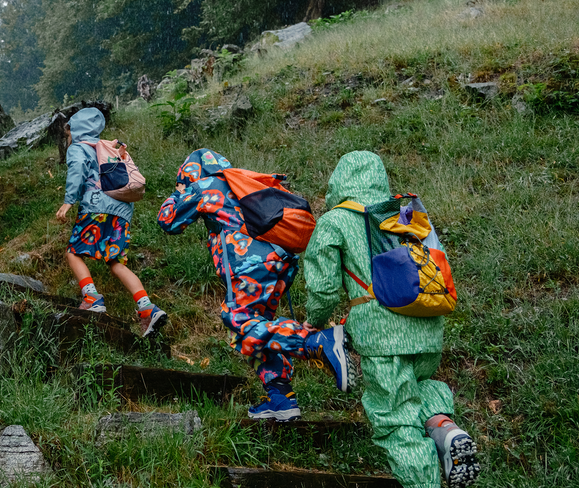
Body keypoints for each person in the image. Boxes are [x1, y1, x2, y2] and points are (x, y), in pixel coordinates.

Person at [302, 151, 480, 488]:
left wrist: (314, 321)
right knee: (418, 386)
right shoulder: (403, 212)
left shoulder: (335, 220)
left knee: (396, 420)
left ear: (338, 181)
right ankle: (446, 429)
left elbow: (324, 288)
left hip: (382, 335)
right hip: (427, 326)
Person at [156, 148, 354, 421]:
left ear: (191, 172)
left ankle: (315, 341)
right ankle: (280, 397)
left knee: (238, 320)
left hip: (250, 266)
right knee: (256, 329)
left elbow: (168, 221)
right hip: (280, 263)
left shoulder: (206, 185)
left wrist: (180, 190)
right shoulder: (240, 185)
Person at [55, 107, 167, 337]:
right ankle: (147, 308)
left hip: (96, 209)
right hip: (122, 213)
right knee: (116, 262)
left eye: (68, 135)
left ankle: (91, 297)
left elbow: (77, 170)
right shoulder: (107, 148)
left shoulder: (79, 148)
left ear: (74, 131)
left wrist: (68, 201)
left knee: (73, 252)